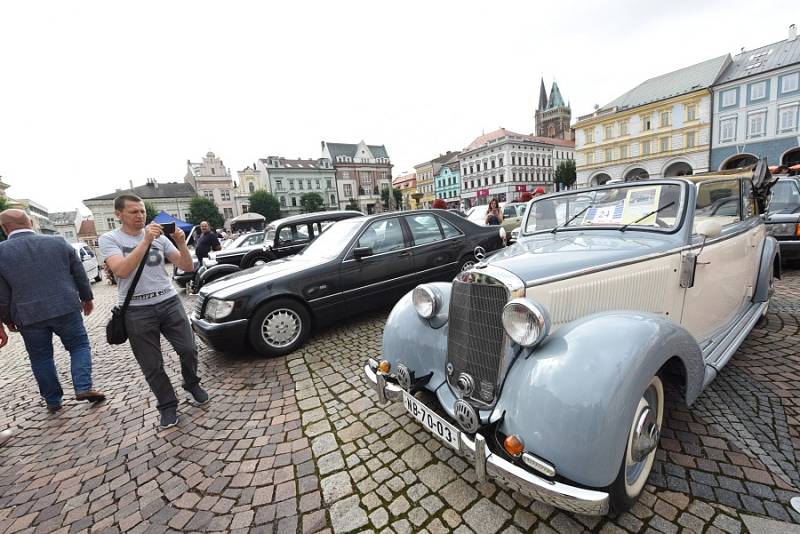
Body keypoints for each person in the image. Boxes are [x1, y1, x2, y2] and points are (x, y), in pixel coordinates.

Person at [100, 195, 208, 429]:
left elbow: (187, 266)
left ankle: (191, 382)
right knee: (152, 364)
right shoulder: (110, 238)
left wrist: (180, 243)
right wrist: (146, 241)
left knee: (189, 348)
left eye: (142, 211)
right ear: (118, 214)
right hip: (136, 310)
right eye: (133, 212)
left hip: (169, 302)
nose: (140, 216)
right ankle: (167, 404)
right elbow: (121, 270)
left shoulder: (158, 236)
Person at [0, 209, 106, 412]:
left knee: (40, 357)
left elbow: (2, 295)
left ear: (4, 228)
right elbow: (79, 273)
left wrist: (7, 319)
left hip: (28, 316)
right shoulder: (58, 242)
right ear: (30, 222)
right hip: (65, 307)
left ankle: (53, 400)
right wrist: (87, 298)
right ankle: (83, 387)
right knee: (79, 346)